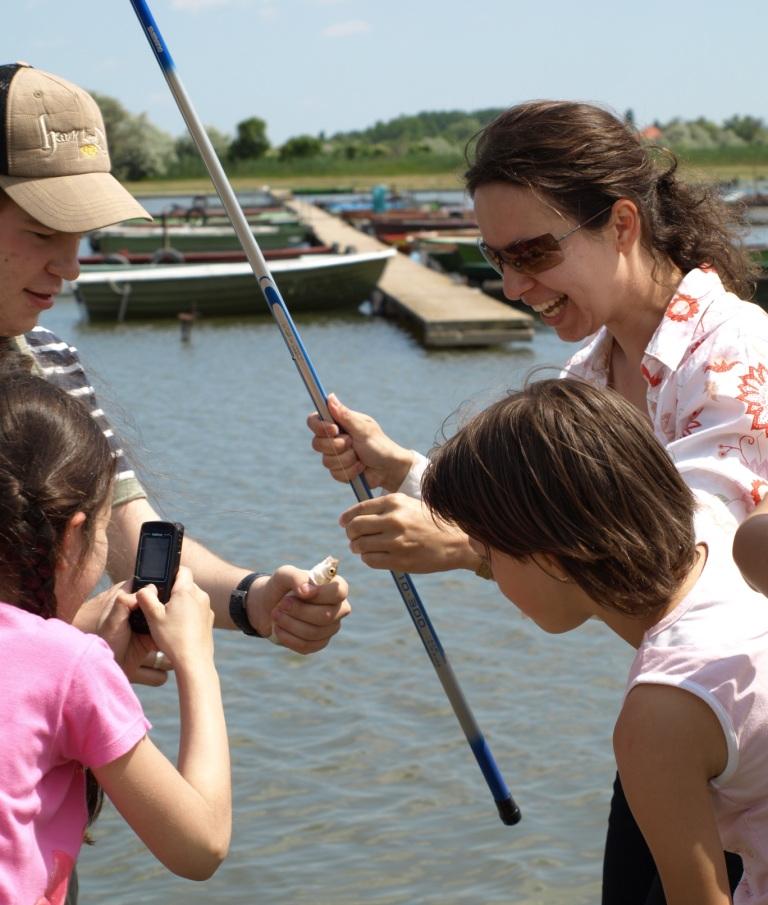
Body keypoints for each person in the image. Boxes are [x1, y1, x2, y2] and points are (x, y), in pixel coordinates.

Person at [307, 100, 768, 902]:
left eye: (533, 252)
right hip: (682, 725)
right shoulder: (583, 377)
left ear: (622, 222)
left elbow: (676, 549)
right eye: (495, 260)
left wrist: (459, 542)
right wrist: (406, 470)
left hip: (734, 737)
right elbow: (565, 526)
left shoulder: (738, 357)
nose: (516, 285)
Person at [0, 61, 350, 674]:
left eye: (80, 235)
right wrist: (75, 643)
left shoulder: (52, 358)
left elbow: (132, 536)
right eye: (43, 231)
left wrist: (256, 599)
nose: (71, 266)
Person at [420, 377, 768, 905]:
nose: (489, 575)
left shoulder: (658, 715)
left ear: (554, 557)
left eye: (489, 557)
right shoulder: (728, 549)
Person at [0, 371, 231, 901]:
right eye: (105, 530)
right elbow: (200, 847)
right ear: (74, 533)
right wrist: (197, 662)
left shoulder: (71, 665)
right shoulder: (70, 667)